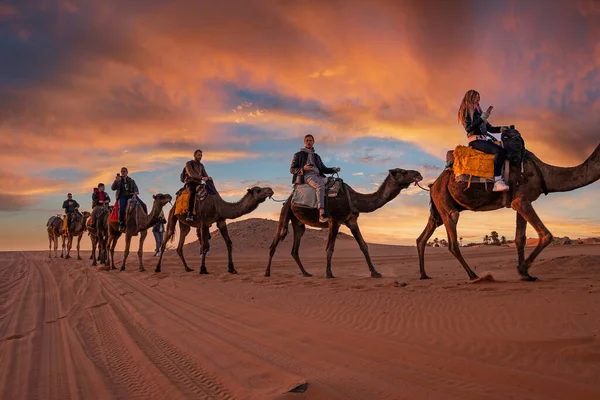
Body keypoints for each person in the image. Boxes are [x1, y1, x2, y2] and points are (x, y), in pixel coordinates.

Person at [458, 90, 511, 192]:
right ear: (470, 97)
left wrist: (501, 129)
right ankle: (497, 181)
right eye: (476, 97)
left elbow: (490, 129)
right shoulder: (465, 111)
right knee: (499, 151)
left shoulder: (479, 113)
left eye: (479, 97)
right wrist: (482, 118)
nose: (478, 99)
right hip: (475, 141)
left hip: (484, 140)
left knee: (503, 149)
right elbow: (468, 128)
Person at [290, 134, 340, 223]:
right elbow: (292, 169)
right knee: (320, 185)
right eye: (307, 141)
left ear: (313, 142)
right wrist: (303, 169)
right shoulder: (298, 155)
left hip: (318, 175)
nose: (309, 142)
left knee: (333, 181)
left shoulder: (316, 156)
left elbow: (323, 169)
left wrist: (333, 169)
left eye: (310, 140)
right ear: (304, 142)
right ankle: (321, 212)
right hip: (306, 176)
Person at [183, 149, 212, 222]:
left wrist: (209, 178)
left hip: (199, 183)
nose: (200, 157)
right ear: (194, 155)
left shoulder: (201, 166)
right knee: (192, 193)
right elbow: (191, 173)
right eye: (199, 155)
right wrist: (202, 178)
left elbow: (205, 174)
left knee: (209, 192)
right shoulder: (189, 163)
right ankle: (190, 213)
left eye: (201, 156)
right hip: (190, 183)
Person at [111, 167, 139, 232]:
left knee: (143, 205)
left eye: (124, 171)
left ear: (127, 172)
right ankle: (121, 223)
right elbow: (113, 188)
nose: (123, 172)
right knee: (122, 207)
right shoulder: (118, 180)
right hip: (122, 196)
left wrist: (136, 192)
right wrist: (116, 181)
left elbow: (135, 188)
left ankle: (143, 221)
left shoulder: (131, 181)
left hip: (131, 196)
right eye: (122, 171)